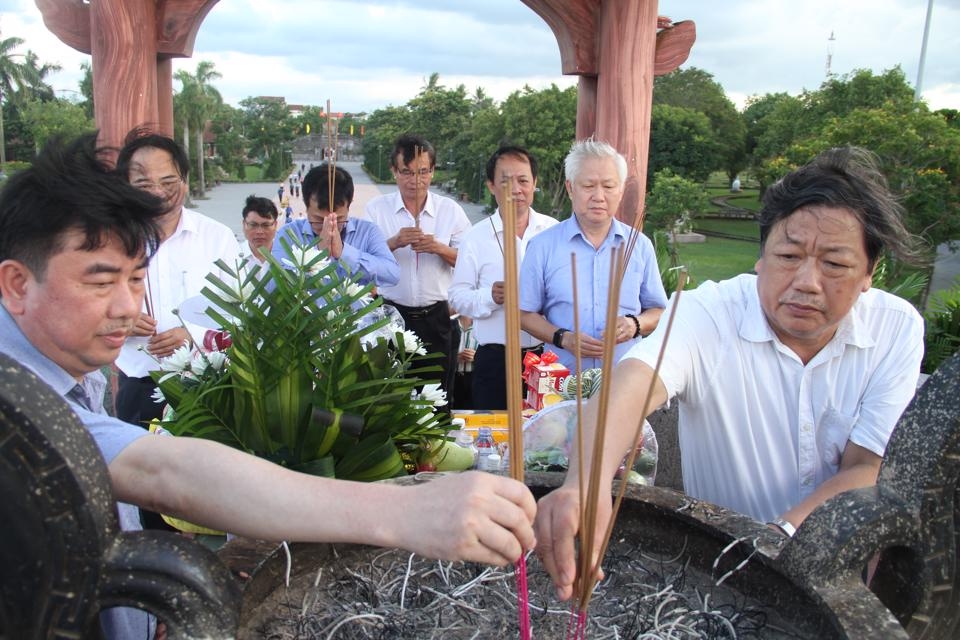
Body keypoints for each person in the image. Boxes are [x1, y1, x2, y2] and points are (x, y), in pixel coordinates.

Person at [0, 133, 537, 639]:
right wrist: (407, 512)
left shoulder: (73, 372)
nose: (127, 307)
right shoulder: (15, 399)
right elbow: (162, 469)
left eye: (137, 279)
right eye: (99, 281)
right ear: (17, 283)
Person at [534, 146, 926, 601]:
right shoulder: (708, 312)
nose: (806, 281)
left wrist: (779, 536)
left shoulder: (895, 327)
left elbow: (866, 465)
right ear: (761, 256)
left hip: (835, 575)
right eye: (788, 256)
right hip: (718, 576)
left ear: (869, 274)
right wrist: (585, 483)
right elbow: (634, 382)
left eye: (835, 264)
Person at [113, 130, 240, 428]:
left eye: (168, 182)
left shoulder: (217, 237)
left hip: (207, 383)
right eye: (143, 184)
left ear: (184, 182)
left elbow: (240, 310)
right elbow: (85, 307)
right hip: (139, 381)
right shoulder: (110, 241)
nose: (157, 192)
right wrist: (119, 324)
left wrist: (194, 336)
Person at [519, 139, 667, 372]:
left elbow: (659, 311)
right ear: (570, 188)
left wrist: (635, 324)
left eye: (608, 186)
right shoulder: (542, 246)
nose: (599, 196)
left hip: (625, 380)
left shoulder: (639, 246)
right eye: (588, 186)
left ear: (620, 190)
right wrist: (563, 338)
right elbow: (524, 314)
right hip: (563, 381)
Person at [449, 145, 559, 409]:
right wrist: (491, 296)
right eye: (506, 181)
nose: (516, 189)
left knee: (546, 437)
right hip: (495, 360)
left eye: (523, 180)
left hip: (546, 357)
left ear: (535, 183)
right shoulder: (476, 237)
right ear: (491, 185)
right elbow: (457, 296)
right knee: (497, 438)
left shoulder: (553, 232)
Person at [365, 134, 471, 404]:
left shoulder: (451, 211)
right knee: (390, 398)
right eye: (407, 172)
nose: (415, 181)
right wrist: (394, 242)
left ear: (433, 171)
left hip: (438, 317)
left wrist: (438, 248)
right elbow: (362, 262)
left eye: (423, 172)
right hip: (390, 315)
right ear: (394, 171)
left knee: (436, 400)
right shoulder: (377, 210)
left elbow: (471, 263)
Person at [273, 163, 399, 288]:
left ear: (348, 207)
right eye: (319, 219)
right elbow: (274, 284)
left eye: (338, 219)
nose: (328, 228)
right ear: (306, 208)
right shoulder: (288, 235)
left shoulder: (367, 231)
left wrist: (345, 253)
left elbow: (392, 274)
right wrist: (317, 255)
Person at [239, 195, 278, 268]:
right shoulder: (234, 255)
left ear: (275, 225)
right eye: (253, 225)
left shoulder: (286, 256)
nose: (259, 232)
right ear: (244, 224)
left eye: (266, 225)